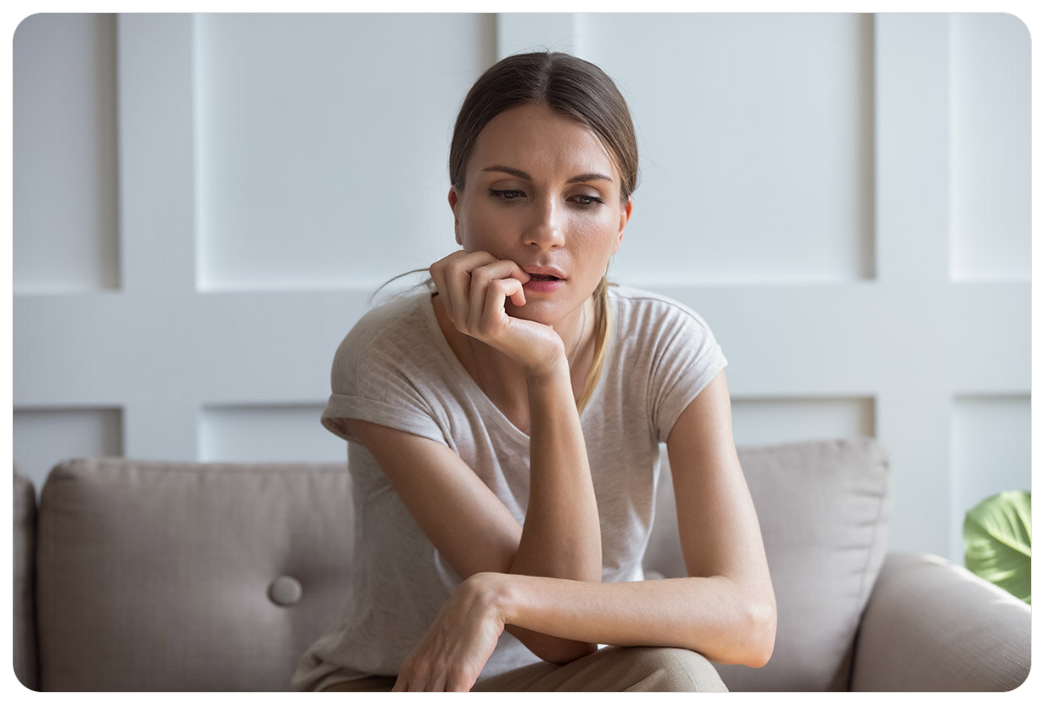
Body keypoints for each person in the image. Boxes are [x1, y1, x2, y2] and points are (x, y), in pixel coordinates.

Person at [292, 51, 776, 693]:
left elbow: (749, 621)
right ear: (458, 209)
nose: (546, 232)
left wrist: (497, 594)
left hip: (580, 682)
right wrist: (549, 369)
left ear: (621, 223)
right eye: (509, 193)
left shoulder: (666, 345)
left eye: (584, 198)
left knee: (677, 676)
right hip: (403, 683)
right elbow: (558, 635)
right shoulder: (388, 356)